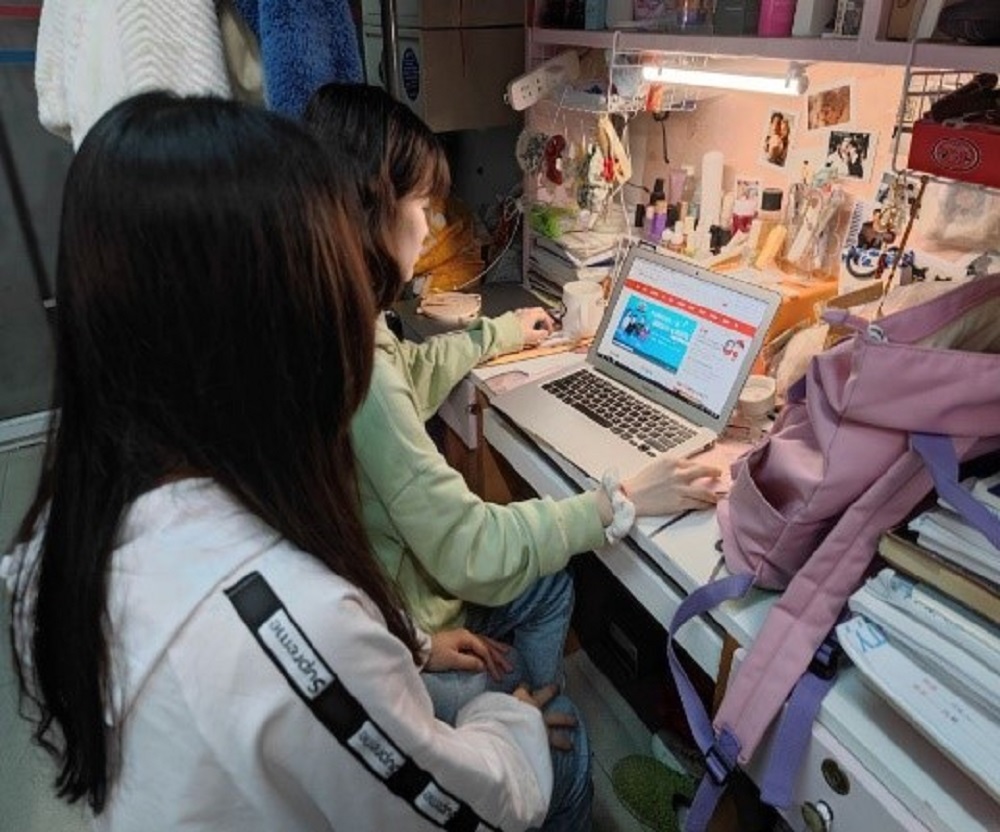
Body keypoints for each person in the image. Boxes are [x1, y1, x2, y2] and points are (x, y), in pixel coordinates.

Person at [3, 91, 584, 831]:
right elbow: (472, 806)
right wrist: (508, 720)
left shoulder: (64, 538)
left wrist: (409, 642)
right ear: (272, 323)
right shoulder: (298, 624)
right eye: (332, 273)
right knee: (565, 759)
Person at [303, 83, 722, 722]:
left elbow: (410, 371)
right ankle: (530, 724)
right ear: (369, 211)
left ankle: (525, 700)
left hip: (385, 611)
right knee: (569, 756)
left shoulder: (334, 321)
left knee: (550, 582)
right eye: (421, 204)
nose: (431, 225)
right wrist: (619, 502)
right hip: (401, 631)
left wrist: (497, 333)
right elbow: (470, 548)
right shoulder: (360, 366)